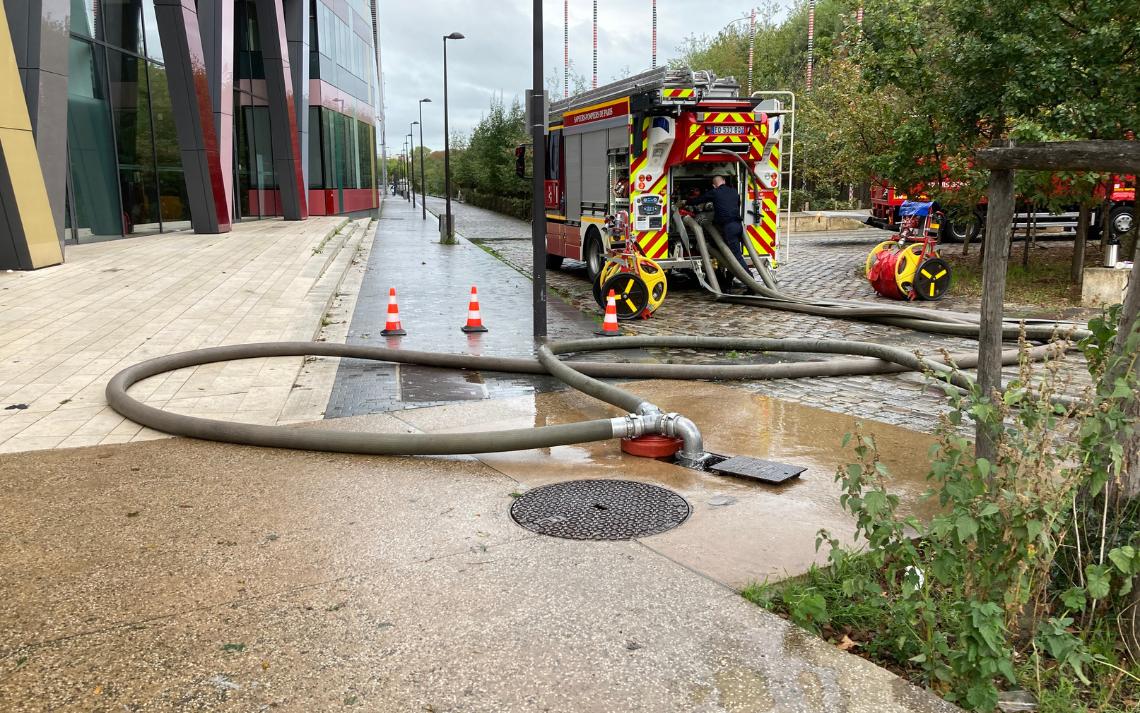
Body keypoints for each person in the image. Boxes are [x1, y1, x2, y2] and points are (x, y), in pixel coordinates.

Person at [687, 175, 751, 278]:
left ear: (714, 185)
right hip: (738, 226)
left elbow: (699, 200)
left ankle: (750, 281)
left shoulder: (715, 192)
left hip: (728, 227)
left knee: (736, 257)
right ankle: (729, 281)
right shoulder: (734, 191)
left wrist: (687, 201)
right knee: (731, 255)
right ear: (724, 181)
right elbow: (736, 204)